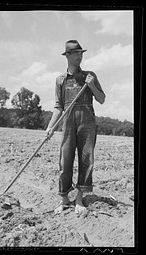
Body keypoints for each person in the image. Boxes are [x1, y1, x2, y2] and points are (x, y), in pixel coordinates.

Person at [46, 40, 106, 215]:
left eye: (81, 53)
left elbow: (102, 99)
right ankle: (64, 198)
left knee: (86, 160)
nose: (80, 56)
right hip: (68, 123)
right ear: (68, 56)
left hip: (87, 123)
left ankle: (79, 198)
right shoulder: (60, 80)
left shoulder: (90, 75)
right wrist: (50, 127)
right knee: (65, 161)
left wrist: (92, 85)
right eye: (76, 53)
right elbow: (58, 107)